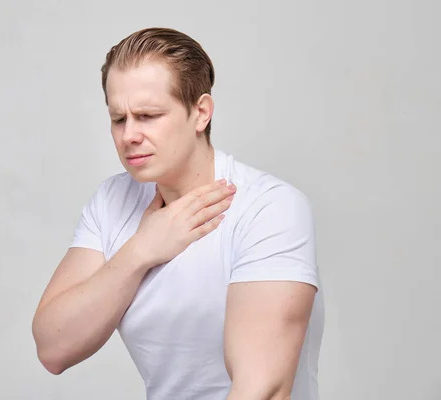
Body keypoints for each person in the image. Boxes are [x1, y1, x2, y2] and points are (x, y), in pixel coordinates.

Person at [32, 27, 325, 400]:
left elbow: (262, 389)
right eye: (118, 119)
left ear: (200, 112)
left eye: (148, 115)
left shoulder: (269, 208)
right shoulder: (112, 201)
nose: (129, 135)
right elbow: (53, 347)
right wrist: (141, 250)